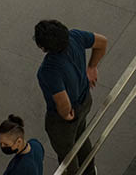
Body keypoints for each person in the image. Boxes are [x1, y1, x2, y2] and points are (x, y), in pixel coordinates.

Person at [34, 20, 108, 175]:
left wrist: (66, 114)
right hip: (85, 100)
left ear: (44, 47)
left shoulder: (48, 69)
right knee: (82, 136)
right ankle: (89, 171)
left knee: (67, 151)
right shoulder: (74, 36)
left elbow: (62, 102)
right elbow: (102, 42)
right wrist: (92, 67)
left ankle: (74, 173)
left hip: (66, 117)